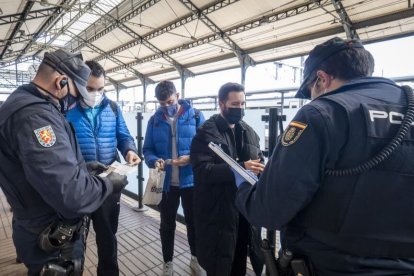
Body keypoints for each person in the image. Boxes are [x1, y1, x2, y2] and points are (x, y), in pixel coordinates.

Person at [234, 37, 414, 275]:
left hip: (327, 266)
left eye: (310, 91)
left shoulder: (321, 114)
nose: (311, 98)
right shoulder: (409, 108)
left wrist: (241, 184)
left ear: (322, 78)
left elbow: (269, 210)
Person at [0, 49, 128, 275]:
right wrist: (110, 184)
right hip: (49, 236)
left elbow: (44, 168)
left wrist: (83, 169)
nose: (77, 101)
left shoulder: (26, 104)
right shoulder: (36, 118)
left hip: (40, 226)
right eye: (78, 93)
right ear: (61, 82)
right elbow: (72, 195)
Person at [65, 60, 140, 275]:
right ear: (79, 84)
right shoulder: (66, 109)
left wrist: (130, 150)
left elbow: (123, 136)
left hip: (108, 186)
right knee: (76, 243)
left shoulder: (112, 108)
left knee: (108, 239)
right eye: (89, 88)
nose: (96, 93)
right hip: (79, 186)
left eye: (100, 89)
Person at [190, 82, 265, 276]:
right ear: (221, 103)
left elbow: (258, 158)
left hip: (243, 212)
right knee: (220, 265)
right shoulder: (206, 134)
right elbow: (202, 171)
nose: (239, 109)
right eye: (234, 104)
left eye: (242, 104)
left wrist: (261, 167)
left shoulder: (248, 132)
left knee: (239, 258)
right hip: (218, 214)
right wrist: (239, 168)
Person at [143, 80, 205, 276]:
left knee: (194, 222)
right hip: (167, 183)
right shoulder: (154, 121)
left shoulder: (195, 116)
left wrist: (191, 158)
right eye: (162, 103)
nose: (167, 106)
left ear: (177, 95)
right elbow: (148, 149)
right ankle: (167, 262)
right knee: (166, 224)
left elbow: (207, 146)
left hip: (191, 181)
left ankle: (196, 259)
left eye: (170, 101)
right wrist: (154, 161)